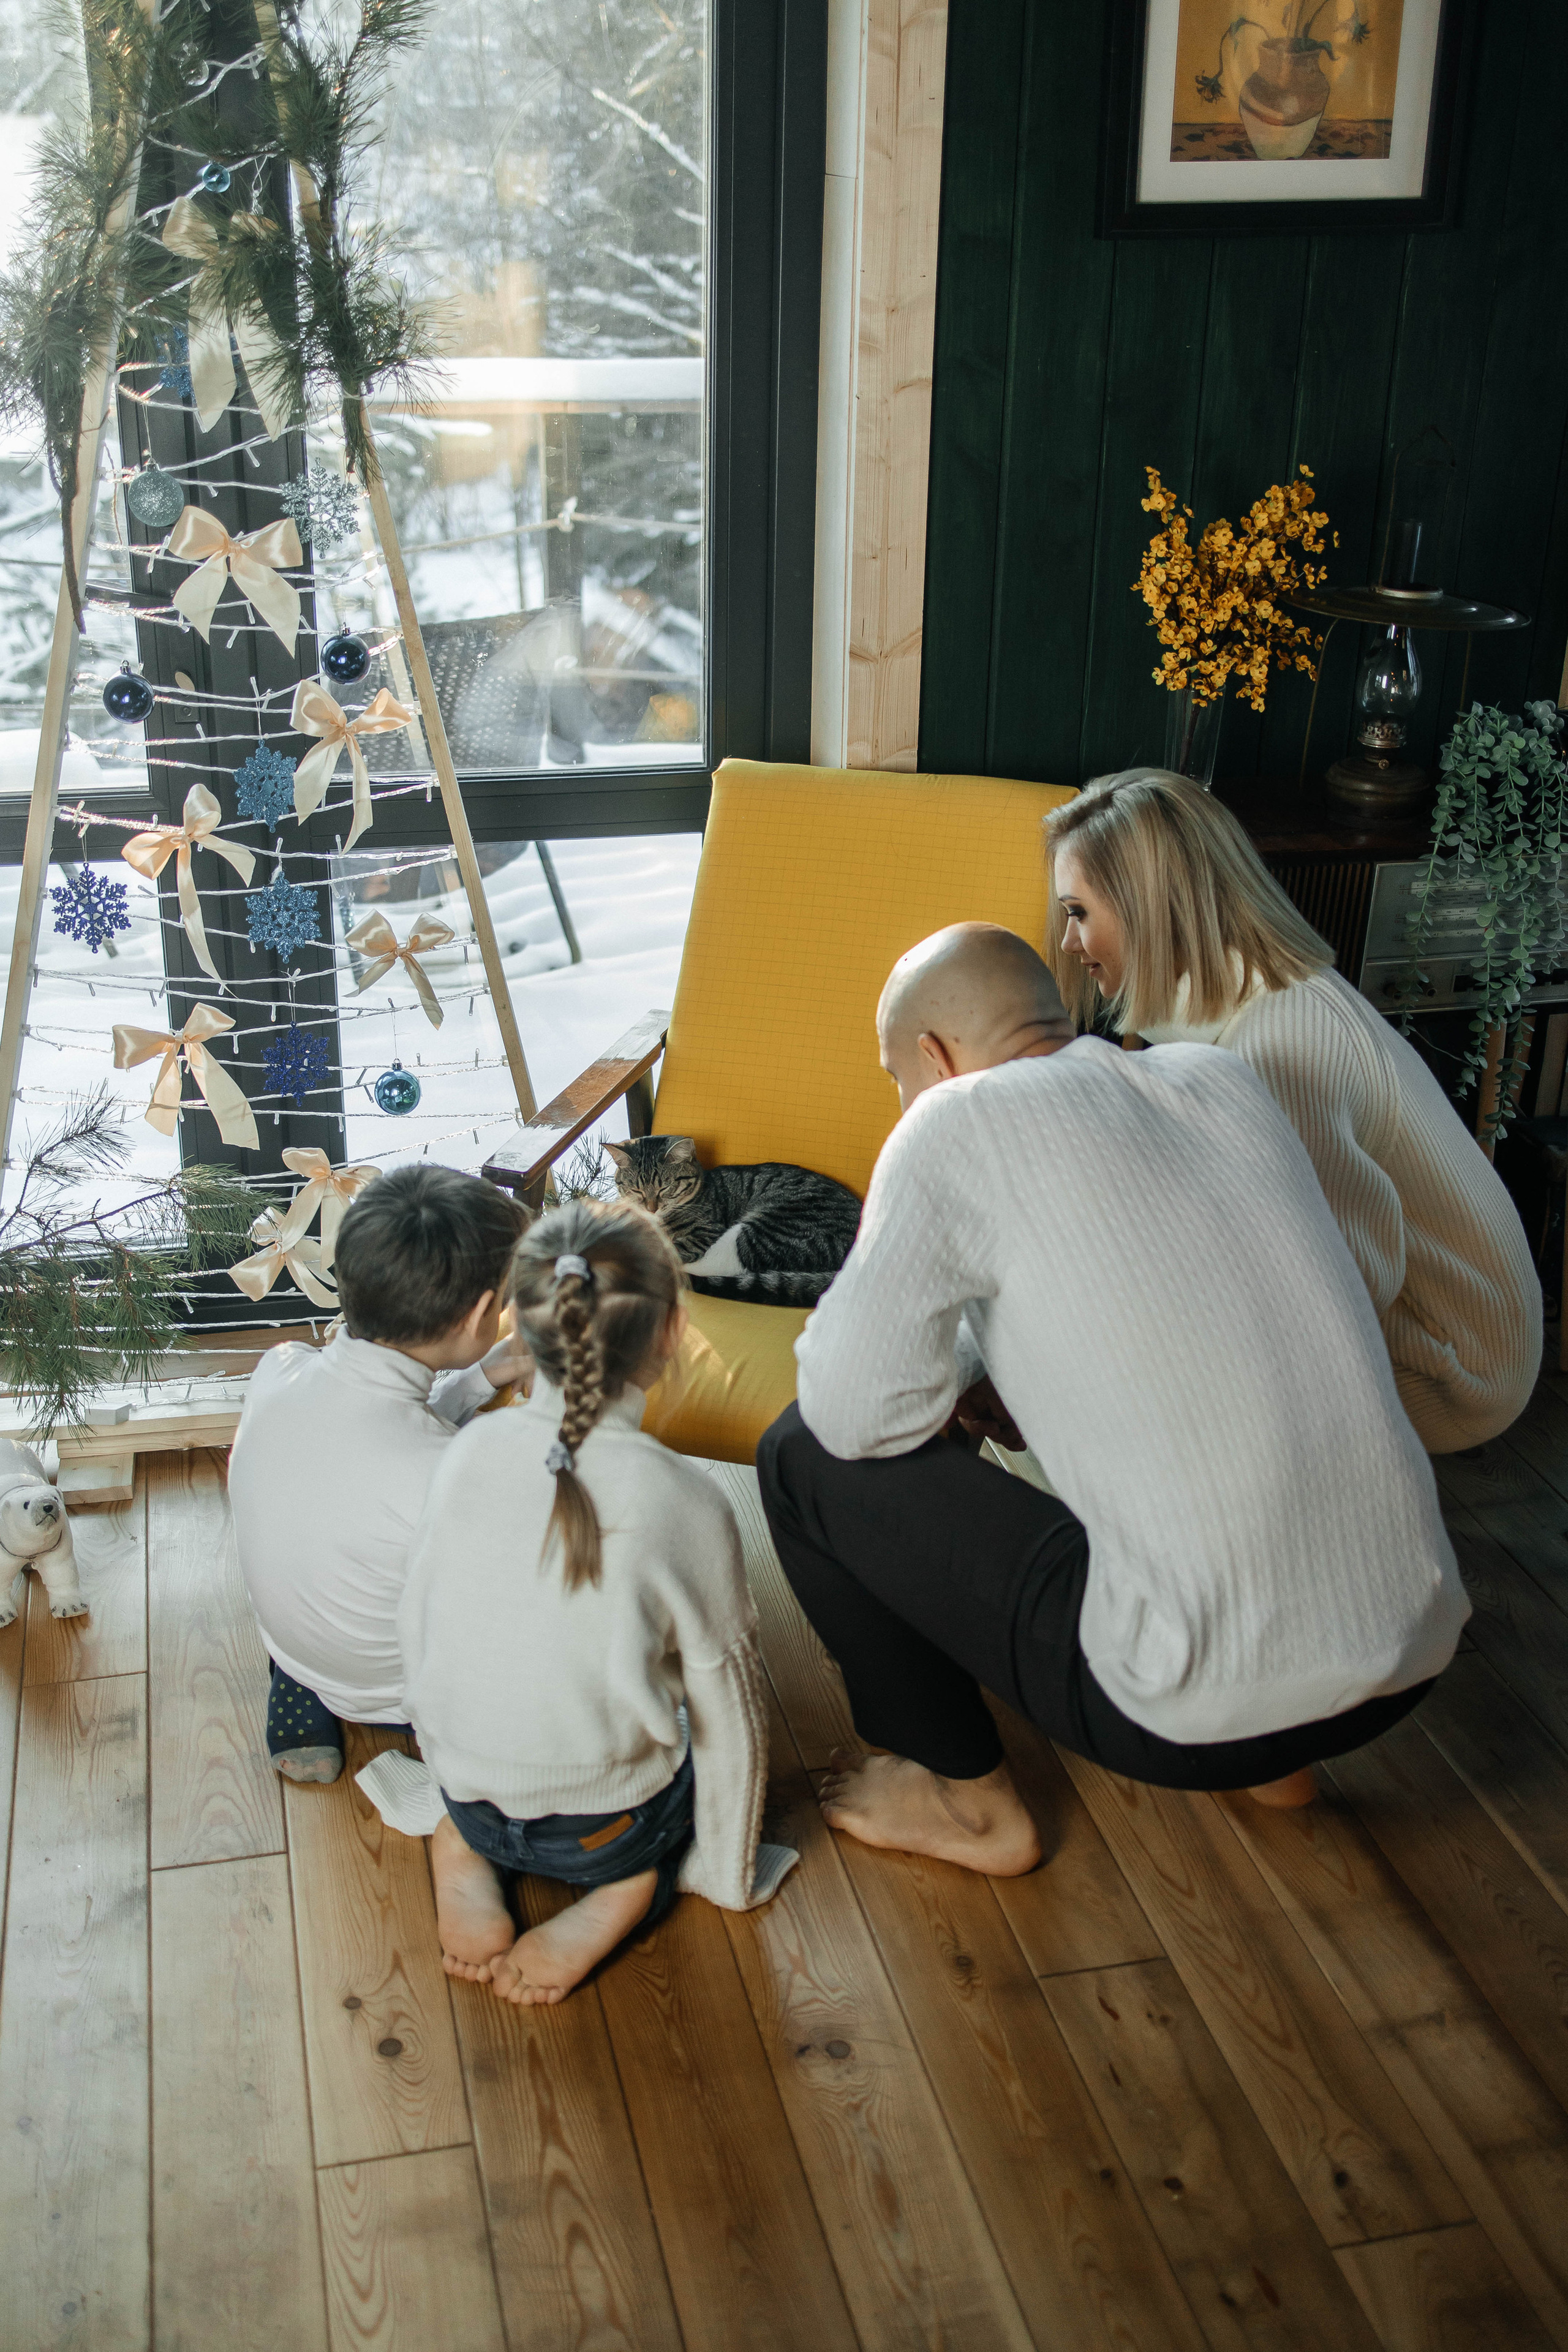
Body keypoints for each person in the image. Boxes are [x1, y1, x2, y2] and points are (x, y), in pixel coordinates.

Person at [756, 922, 1469, 1874]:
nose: (903, 1101)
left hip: (1188, 1715)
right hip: (1412, 1647)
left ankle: (969, 1804)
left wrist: (952, 1365)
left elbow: (853, 1413)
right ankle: (1283, 1768)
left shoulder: (953, 1119)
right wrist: (989, 1363)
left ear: (932, 1058)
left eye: (897, 1081)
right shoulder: (1218, 1079)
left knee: (802, 1454)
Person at [1046, 768, 1540, 1454]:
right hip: (1407, 1322)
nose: (1070, 945)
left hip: (1448, 1363)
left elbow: (1338, 1288)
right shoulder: (1251, 999)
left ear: (1150, 908)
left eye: (1078, 913)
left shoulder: (1282, 1046)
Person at [398, 1198, 778, 2007]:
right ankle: (623, 1891)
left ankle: (466, 1853)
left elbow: (420, 1629)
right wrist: (725, 1873)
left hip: (468, 1791)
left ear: (517, 1330)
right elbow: (731, 1718)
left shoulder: (465, 1454)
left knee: (486, 1797)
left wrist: (449, 1767)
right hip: (607, 1830)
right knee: (669, 1748)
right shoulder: (689, 1501)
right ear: (673, 1335)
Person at [229, 1164, 527, 1785]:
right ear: (479, 1318)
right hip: (402, 1698)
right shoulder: (448, 1473)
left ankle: (294, 1673)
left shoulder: (278, 1368)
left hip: (297, 1639)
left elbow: (378, 1439)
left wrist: (477, 1379)